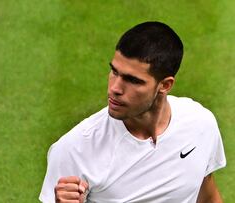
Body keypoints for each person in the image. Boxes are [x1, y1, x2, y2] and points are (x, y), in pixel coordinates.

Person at [39, 21, 226, 203]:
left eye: (133, 80)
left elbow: (207, 196)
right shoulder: (75, 149)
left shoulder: (200, 124)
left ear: (165, 85)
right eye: (114, 71)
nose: (115, 88)